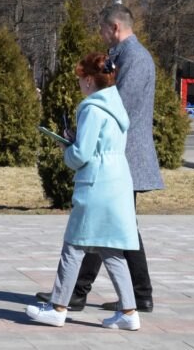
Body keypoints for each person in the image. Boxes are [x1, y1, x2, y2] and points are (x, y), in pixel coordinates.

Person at [38, 4, 163, 313]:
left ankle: (89, 293)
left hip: (122, 155)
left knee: (106, 226)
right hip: (116, 153)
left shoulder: (135, 58)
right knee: (111, 226)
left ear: (115, 28)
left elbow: (120, 107)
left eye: (103, 29)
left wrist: (85, 134)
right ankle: (123, 294)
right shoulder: (122, 57)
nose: (101, 35)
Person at [26, 52, 141, 330]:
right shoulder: (116, 105)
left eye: (81, 78)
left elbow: (82, 154)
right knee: (111, 250)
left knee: (73, 246)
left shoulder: (91, 108)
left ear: (90, 80)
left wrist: (67, 148)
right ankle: (129, 313)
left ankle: (57, 308)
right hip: (118, 181)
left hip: (96, 184)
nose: (79, 84)